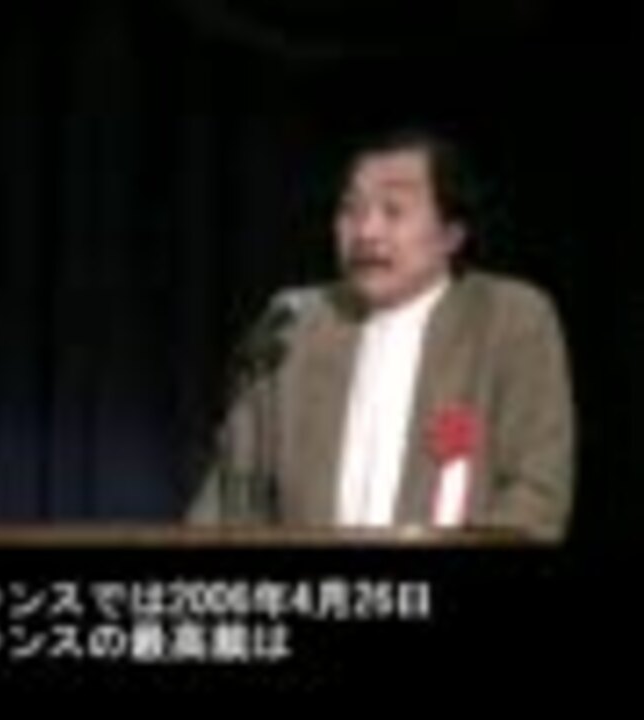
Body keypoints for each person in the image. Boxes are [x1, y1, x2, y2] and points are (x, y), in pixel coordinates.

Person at [187, 128, 575, 541]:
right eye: (351, 210)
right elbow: (227, 498)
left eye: (393, 210)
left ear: (451, 234)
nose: (366, 231)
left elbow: (534, 497)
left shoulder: (509, 319)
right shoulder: (295, 322)